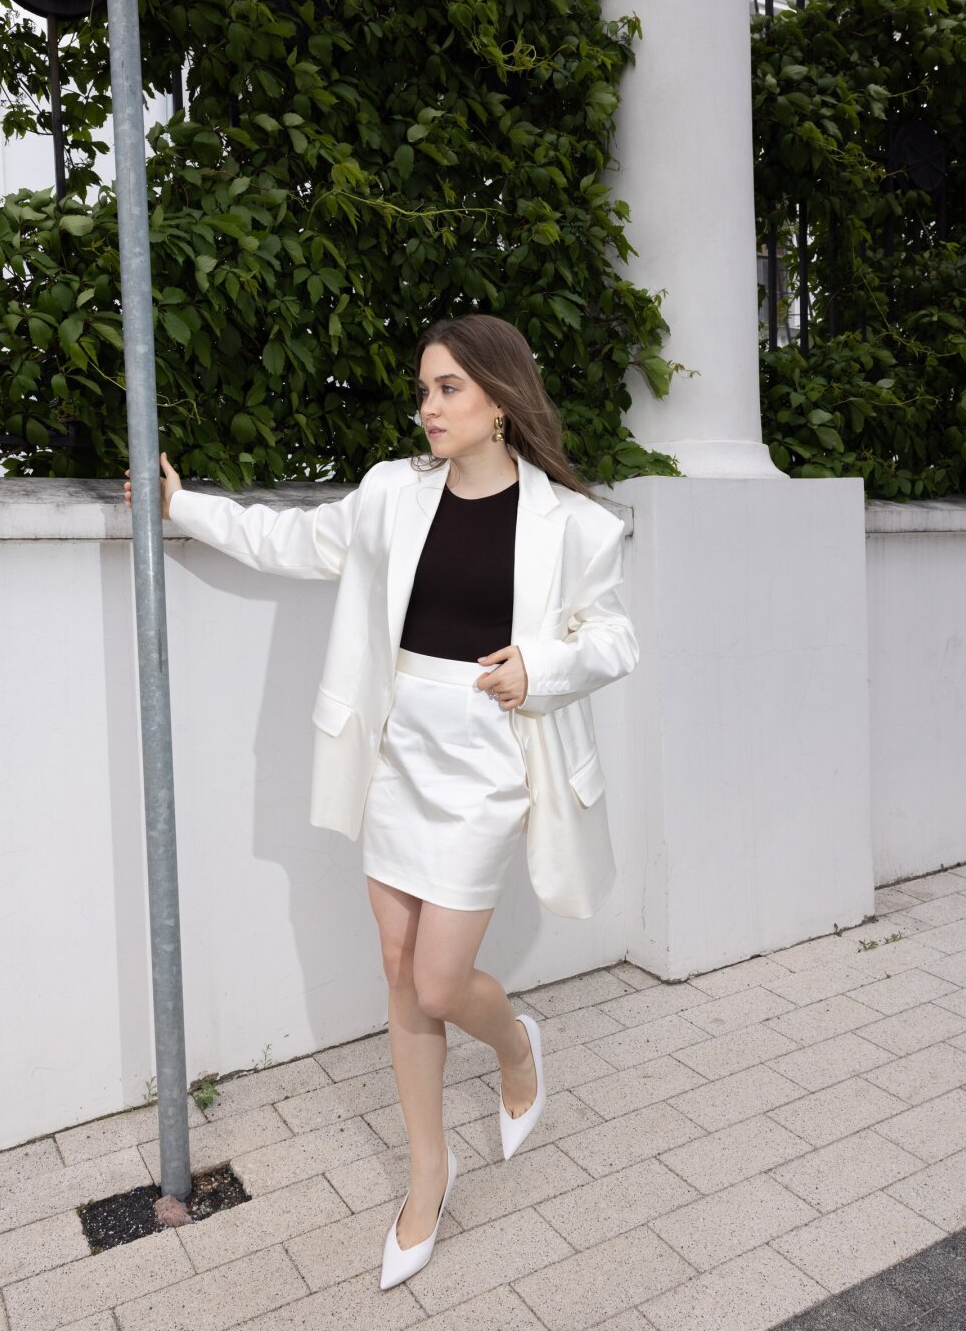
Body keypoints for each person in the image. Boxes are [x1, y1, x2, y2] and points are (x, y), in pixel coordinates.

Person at [122, 313, 639, 1289]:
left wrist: (541, 665)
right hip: (399, 751)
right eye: (424, 389)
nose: (428, 406)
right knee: (399, 969)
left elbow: (614, 638)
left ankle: (515, 1042)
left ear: (500, 398)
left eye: (448, 388)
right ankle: (427, 1175)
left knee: (442, 983)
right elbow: (291, 539)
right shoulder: (392, 494)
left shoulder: (576, 525)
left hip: (490, 756)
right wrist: (182, 506)